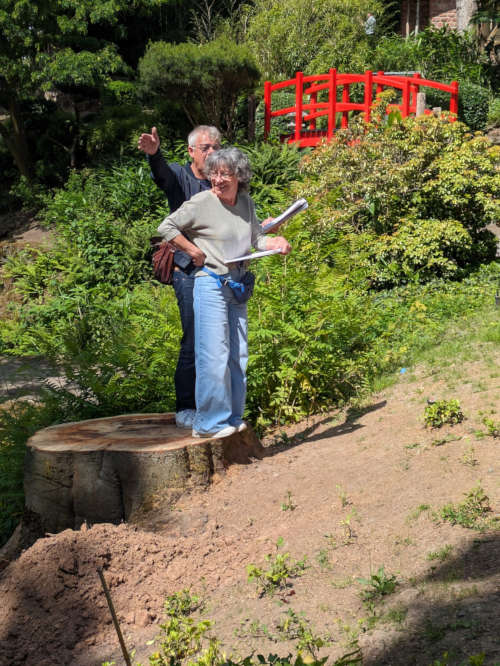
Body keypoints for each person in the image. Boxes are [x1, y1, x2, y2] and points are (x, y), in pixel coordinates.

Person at [156, 147, 291, 439]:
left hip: (237, 285)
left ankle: (230, 416)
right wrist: (193, 250)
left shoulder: (246, 203)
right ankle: (208, 423)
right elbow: (166, 227)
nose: (217, 180)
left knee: (237, 355)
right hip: (210, 283)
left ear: (239, 176)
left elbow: (256, 239)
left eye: (224, 174)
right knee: (213, 355)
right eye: (213, 173)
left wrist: (276, 241)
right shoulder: (202, 202)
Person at [138, 125, 221, 429]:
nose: (212, 153)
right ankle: (186, 405)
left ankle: (214, 405)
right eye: (206, 148)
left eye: (216, 147)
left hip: (217, 268)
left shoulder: (220, 180)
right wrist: (154, 154)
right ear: (191, 152)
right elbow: (162, 176)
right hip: (187, 269)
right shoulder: (180, 176)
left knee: (217, 339)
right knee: (194, 336)